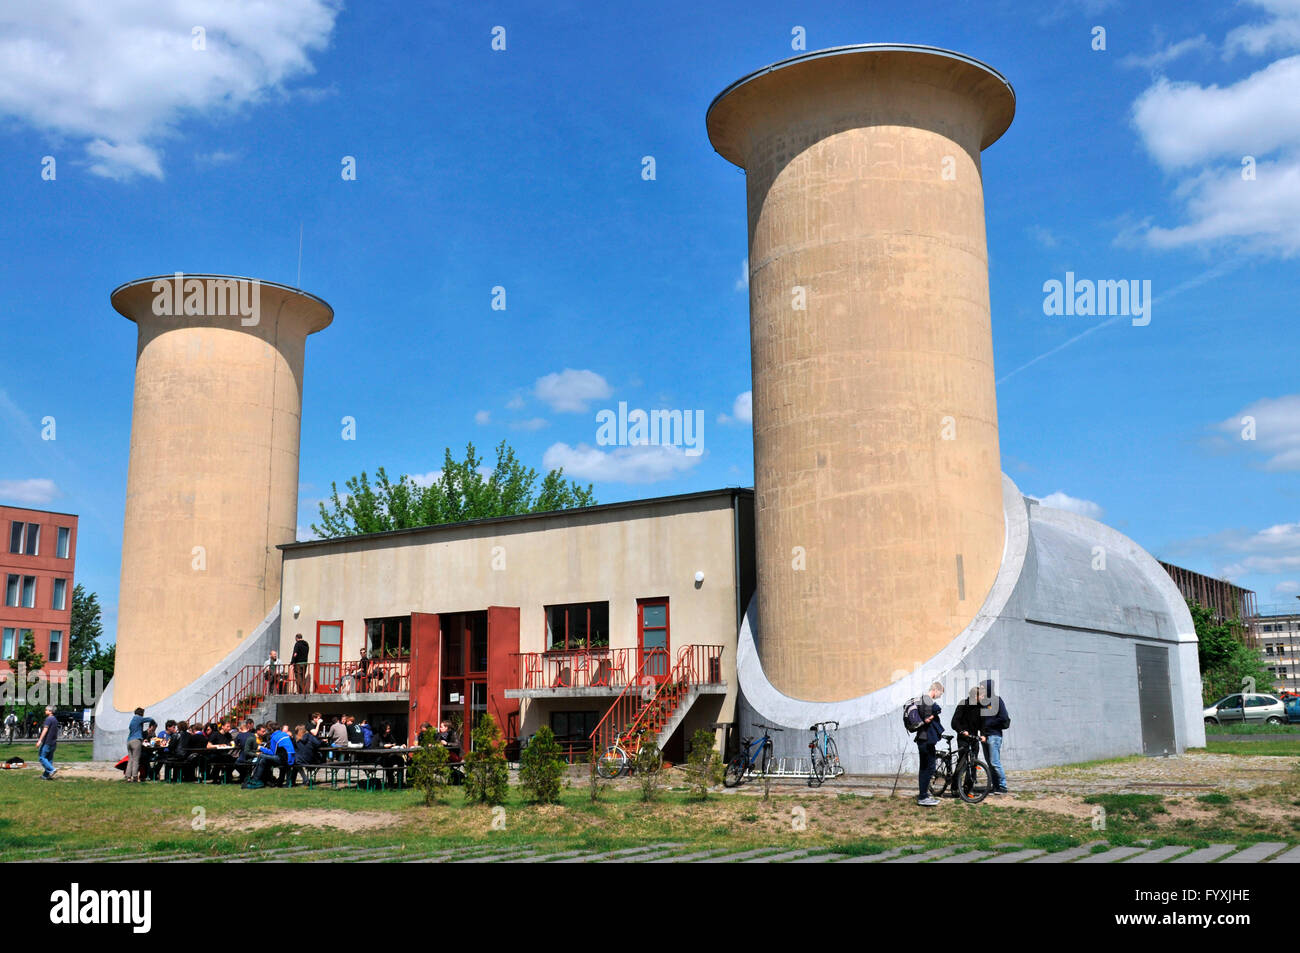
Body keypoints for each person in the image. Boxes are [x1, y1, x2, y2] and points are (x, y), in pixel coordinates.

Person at [912, 681, 945, 807]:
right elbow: (937, 709)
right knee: (928, 768)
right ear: (935, 690)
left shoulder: (923, 700)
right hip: (925, 740)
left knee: (925, 768)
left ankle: (923, 794)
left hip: (924, 739)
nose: (939, 697)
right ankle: (923, 797)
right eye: (940, 694)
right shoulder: (927, 700)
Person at [979, 679, 1011, 795]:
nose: (981, 689)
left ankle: (1002, 786)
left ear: (988, 688)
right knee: (989, 763)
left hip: (994, 736)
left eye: (982, 687)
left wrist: (989, 724)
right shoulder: (983, 702)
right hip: (985, 737)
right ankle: (995, 786)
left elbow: (1003, 717)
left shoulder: (997, 700)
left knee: (994, 762)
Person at [248, 723, 294, 788]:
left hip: (284, 759)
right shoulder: (284, 734)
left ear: (272, 729)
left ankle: (255, 780)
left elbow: (272, 752)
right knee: (265, 760)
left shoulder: (274, 737)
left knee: (262, 757)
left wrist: (261, 748)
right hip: (291, 758)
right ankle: (266, 779)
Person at [125, 707, 149, 782]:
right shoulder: (139, 718)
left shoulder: (132, 720)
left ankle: (128, 777)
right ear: (141, 713)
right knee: (136, 760)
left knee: (130, 760)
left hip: (129, 741)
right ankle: (135, 776)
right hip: (136, 741)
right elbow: (149, 719)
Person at [35, 705, 59, 780]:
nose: (45, 711)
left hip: (47, 742)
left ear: (50, 711)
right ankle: (45, 776)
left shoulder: (48, 719)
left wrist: (40, 740)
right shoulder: (55, 719)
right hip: (53, 742)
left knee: (42, 757)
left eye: (46, 710)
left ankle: (52, 770)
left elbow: (45, 730)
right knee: (49, 759)